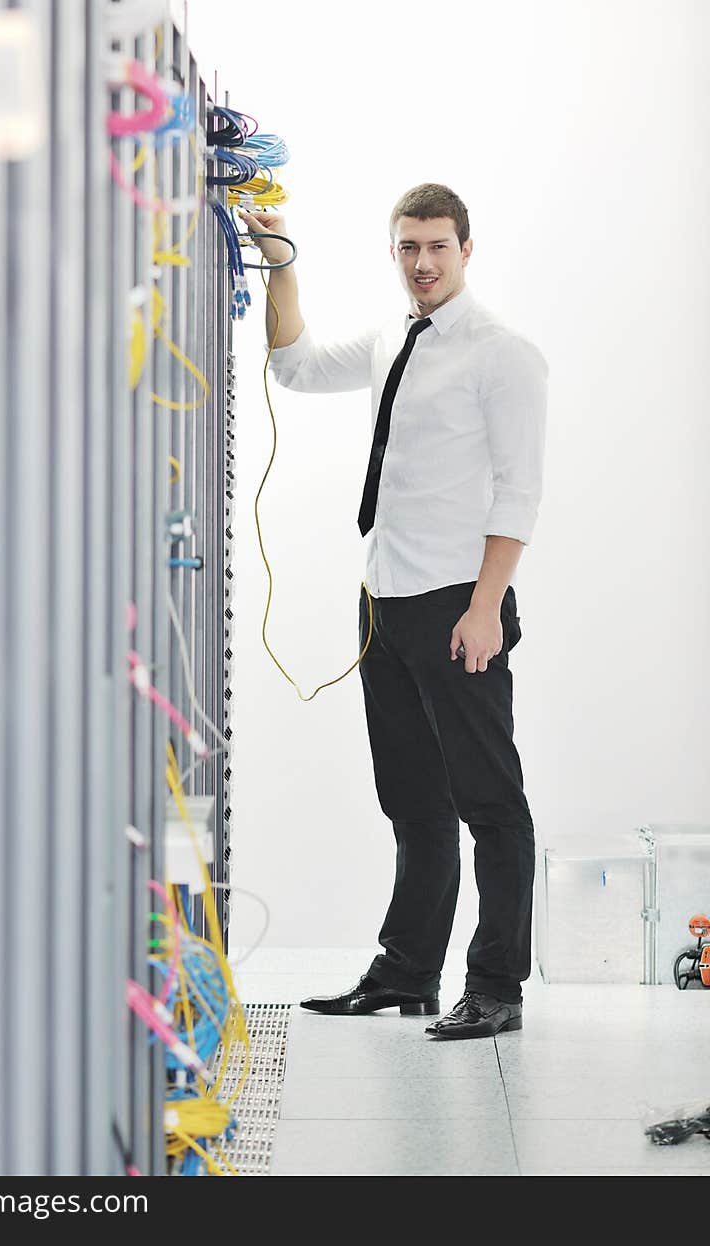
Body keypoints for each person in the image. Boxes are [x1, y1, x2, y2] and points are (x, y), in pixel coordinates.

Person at [238, 183, 548, 1040]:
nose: (422, 263)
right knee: (412, 802)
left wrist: (486, 608)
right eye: (409, 248)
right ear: (395, 250)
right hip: (384, 602)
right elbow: (294, 367)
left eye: (438, 248)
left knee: (490, 803)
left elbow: (520, 494)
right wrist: (279, 261)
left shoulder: (502, 354)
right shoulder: (389, 338)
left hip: (459, 605)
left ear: (466, 249)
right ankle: (409, 973)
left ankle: (495, 986)